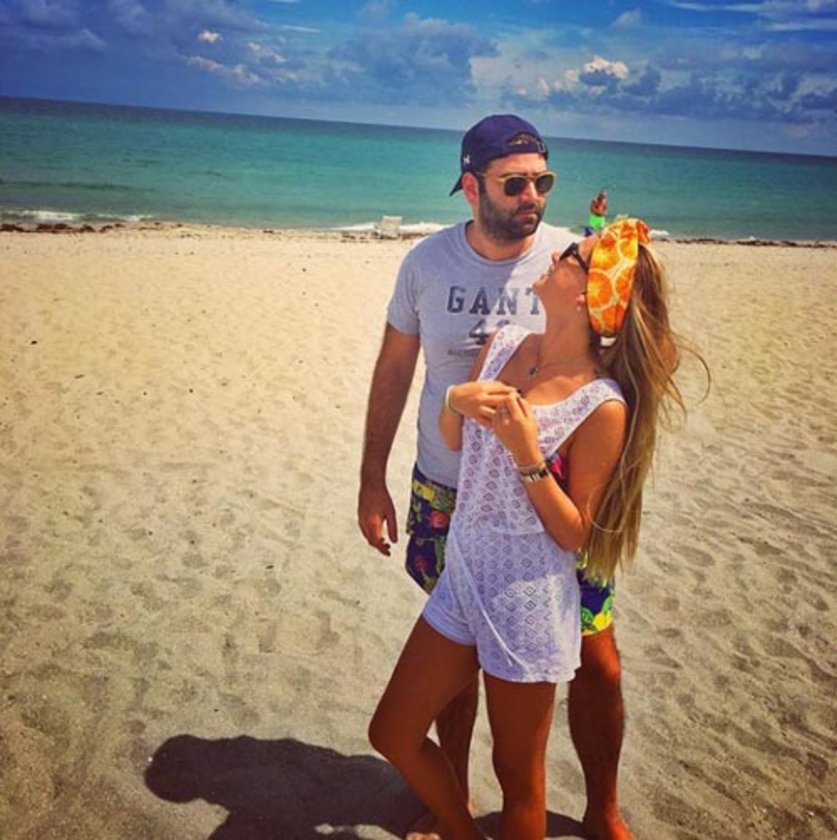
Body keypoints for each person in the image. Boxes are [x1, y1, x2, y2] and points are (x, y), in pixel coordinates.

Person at [369, 218, 687, 838]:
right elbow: (455, 440)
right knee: (392, 732)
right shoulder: (506, 341)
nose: (558, 252)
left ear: (588, 295)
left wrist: (527, 453)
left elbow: (575, 534)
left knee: (518, 778)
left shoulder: (601, 404)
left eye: (574, 256)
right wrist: (453, 402)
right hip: (464, 574)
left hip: (527, 600)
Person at [358, 115, 629, 839]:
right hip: (446, 491)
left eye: (543, 181)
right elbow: (394, 369)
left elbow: (616, 363)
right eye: (514, 185)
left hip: (548, 512)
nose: (532, 198)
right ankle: (449, 798)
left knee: (597, 661)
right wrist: (371, 478)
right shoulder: (427, 263)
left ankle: (601, 807)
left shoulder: (567, 262)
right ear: (471, 186)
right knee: (456, 663)